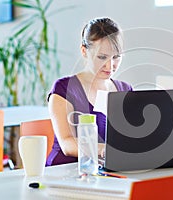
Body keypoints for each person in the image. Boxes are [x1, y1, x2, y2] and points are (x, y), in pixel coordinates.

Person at [46, 17, 133, 166]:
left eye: (116, 57)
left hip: (106, 173)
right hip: (65, 171)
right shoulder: (64, 88)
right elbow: (67, 144)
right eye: (102, 57)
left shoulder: (125, 90)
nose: (110, 65)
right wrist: (106, 150)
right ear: (84, 51)